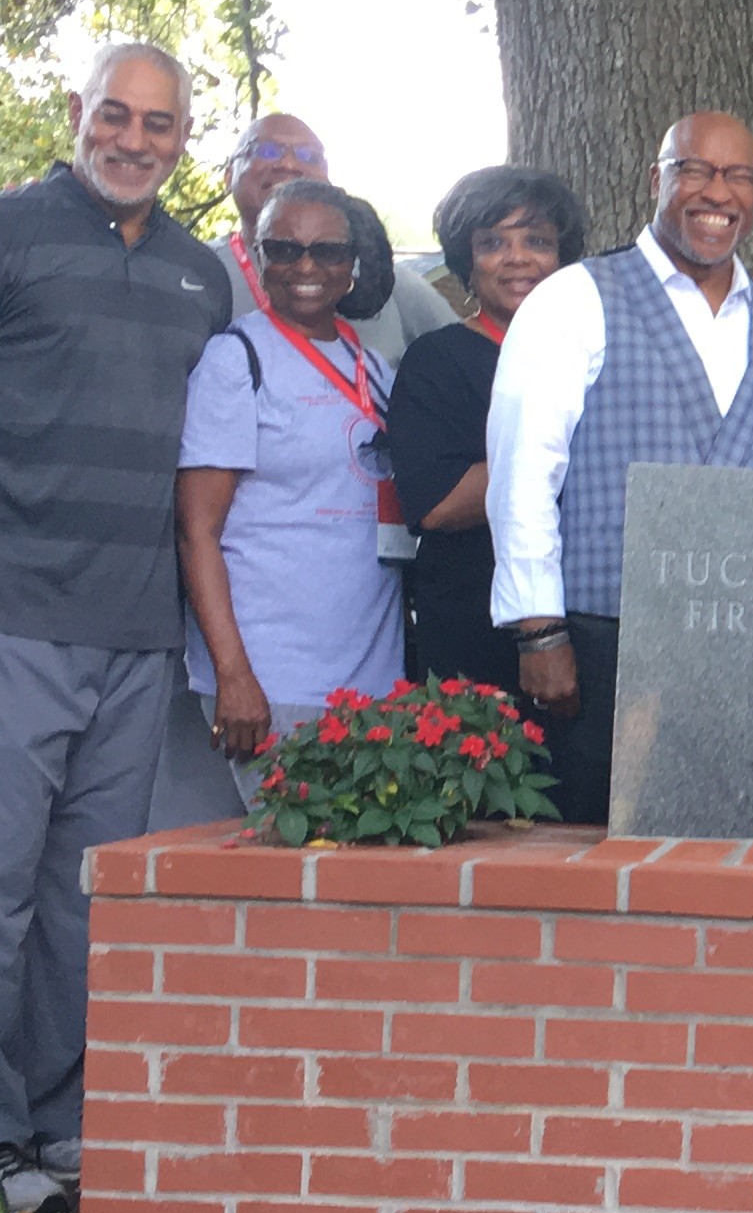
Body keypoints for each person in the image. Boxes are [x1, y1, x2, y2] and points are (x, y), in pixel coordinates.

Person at [0, 39, 231, 1213]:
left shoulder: (201, 275)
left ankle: (62, 1129)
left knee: (82, 895)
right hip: (0, 621)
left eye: (160, 125)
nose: (134, 141)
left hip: (135, 630)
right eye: (115, 116)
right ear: (77, 115)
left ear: (185, 139)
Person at [485, 113, 753, 824]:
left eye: (739, 176)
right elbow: (522, 476)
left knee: (720, 851)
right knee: (590, 852)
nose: (716, 192)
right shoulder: (575, 299)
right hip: (602, 640)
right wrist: (540, 632)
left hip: (739, 650)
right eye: (695, 170)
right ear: (657, 179)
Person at [161, 182, 411, 822]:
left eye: (327, 251)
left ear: (353, 265)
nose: (305, 267)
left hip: (371, 675)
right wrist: (233, 675)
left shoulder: (372, 367)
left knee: (348, 872)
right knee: (298, 868)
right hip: (275, 678)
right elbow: (196, 531)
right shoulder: (235, 359)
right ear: (255, 254)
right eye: (284, 249)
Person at [384, 166, 585, 693]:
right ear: (466, 262)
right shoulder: (437, 360)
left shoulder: (591, 356)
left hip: (587, 620)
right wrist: (562, 457)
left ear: (563, 256)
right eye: (493, 242)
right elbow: (438, 503)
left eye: (537, 241)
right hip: (475, 627)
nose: (517, 258)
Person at [210, 111, 456, 366]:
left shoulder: (384, 278)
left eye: (310, 156)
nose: (289, 164)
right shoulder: (200, 271)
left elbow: (463, 359)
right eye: (267, 151)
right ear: (228, 176)